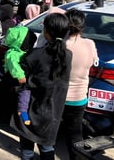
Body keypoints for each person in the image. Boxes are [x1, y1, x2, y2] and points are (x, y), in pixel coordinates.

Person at [11, 13, 72, 160]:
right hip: (53, 112)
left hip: (30, 109)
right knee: (47, 147)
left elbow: (22, 83)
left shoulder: (34, 55)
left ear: (46, 31)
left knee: (27, 149)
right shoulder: (68, 55)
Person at [61, 9, 98, 160]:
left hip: (58, 97)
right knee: (75, 135)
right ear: (82, 26)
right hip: (79, 98)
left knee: (49, 133)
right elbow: (93, 62)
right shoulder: (90, 44)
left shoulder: (60, 45)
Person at [3, 26, 37, 125]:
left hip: (20, 78)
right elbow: (14, 66)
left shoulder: (23, 51)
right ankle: (22, 111)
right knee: (24, 92)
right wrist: (20, 76)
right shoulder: (12, 54)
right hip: (15, 78)